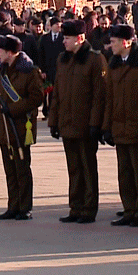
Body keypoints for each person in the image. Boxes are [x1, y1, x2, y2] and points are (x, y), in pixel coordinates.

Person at [48, 20, 107, 224]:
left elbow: (99, 95)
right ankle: (76, 207)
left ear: (80, 39)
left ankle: (89, 208)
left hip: (85, 123)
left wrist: (95, 124)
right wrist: (53, 121)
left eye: (67, 38)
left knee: (88, 168)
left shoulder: (94, 59)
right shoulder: (63, 60)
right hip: (67, 122)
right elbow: (57, 93)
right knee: (73, 168)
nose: (63, 42)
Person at [102, 25, 138, 227]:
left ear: (126, 42)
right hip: (119, 125)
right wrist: (106, 126)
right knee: (124, 172)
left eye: (114, 41)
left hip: (137, 127)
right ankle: (129, 209)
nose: (111, 45)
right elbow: (109, 97)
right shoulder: (113, 63)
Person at [0, 35, 44, 221]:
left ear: (9, 52)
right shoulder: (1, 70)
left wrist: (13, 109)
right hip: (4, 126)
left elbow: (37, 97)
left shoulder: (29, 71)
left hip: (21, 126)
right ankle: (12, 205)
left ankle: (25, 206)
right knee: (9, 170)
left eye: (0, 50)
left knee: (22, 168)